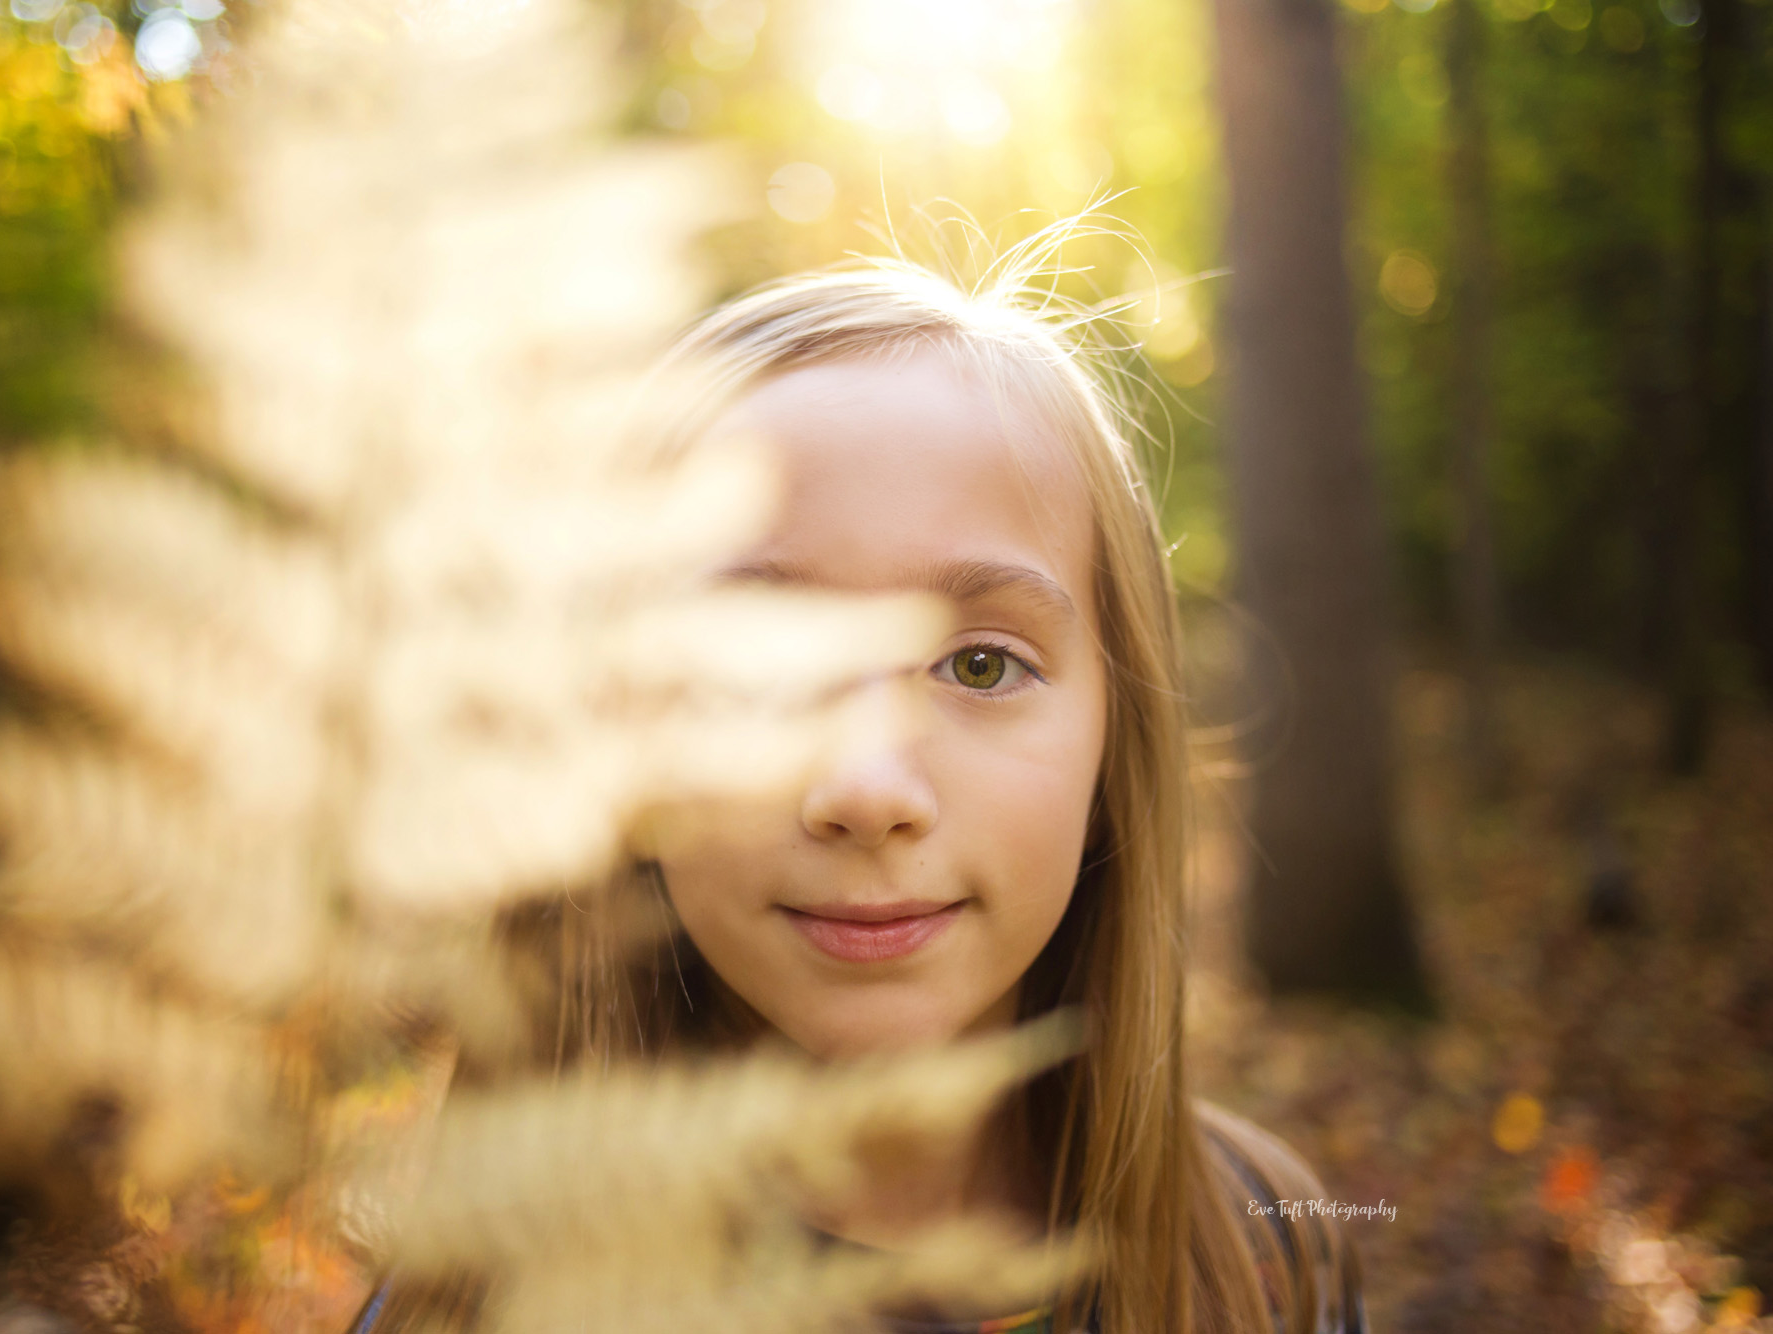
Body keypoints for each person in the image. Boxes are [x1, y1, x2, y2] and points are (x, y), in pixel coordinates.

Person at [357, 241, 1370, 1334]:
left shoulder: (1263, 1246)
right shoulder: (484, 1302)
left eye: (979, 664)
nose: (866, 786)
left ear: (1111, 741)